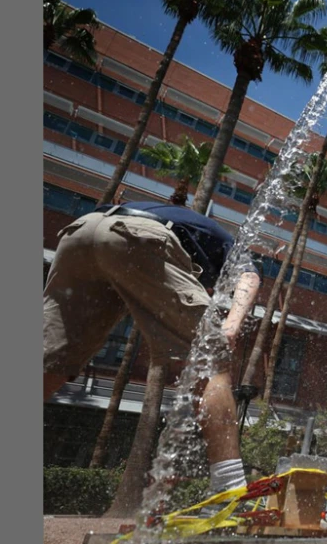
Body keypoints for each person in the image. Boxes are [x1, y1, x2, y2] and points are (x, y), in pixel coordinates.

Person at [42, 198, 263, 503]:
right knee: (211, 357)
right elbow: (250, 278)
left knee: (51, 360)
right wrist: (231, 327)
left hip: (80, 231)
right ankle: (230, 488)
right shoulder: (232, 247)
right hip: (138, 235)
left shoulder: (191, 224)